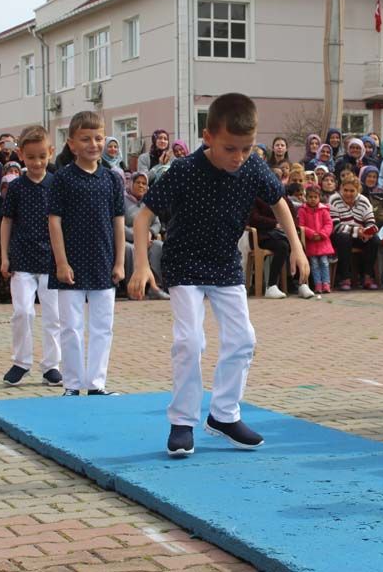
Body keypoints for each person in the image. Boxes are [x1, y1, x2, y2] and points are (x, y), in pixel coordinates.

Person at [128, 92, 309, 457]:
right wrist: (143, 265)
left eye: (246, 148)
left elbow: (279, 203)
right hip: (185, 264)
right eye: (230, 149)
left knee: (243, 339)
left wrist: (297, 247)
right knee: (190, 341)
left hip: (225, 264)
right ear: (208, 137)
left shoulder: (253, 167)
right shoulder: (184, 170)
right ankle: (182, 421)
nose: (238, 157)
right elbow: (145, 215)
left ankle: (224, 414)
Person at [48, 111, 126, 397]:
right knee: (71, 327)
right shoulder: (62, 178)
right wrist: (61, 262)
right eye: (85, 139)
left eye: (98, 138)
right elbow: (54, 221)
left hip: (103, 262)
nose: (93, 144)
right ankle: (71, 384)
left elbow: (118, 222)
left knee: (103, 326)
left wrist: (119, 262)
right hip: (71, 264)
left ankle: (96, 383)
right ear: (71, 144)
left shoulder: (112, 179)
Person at [0, 126, 62, 389]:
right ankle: (21, 362)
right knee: (23, 312)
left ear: (51, 153)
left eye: (42, 156)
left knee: (53, 315)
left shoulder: (57, 185)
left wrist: (64, 259)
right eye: (31, 157)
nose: (37, 163)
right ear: (21, 156)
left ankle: (52, 366)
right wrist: (4, 256)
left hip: (51, 260)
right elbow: (6, 221)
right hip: (22, 259)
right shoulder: (16, 187)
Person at [248, 192, 316, 300]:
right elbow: (253, 218)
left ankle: (302, 284)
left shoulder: (281, 196)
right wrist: (275, 224)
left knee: (298, 246)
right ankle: (271, 286)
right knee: (282, 246)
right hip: (263, 235)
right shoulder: (254, 197)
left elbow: (292, 216)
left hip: (282, 234)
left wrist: (286, 226)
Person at [122, 172, 168, 300]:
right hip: (127, 240)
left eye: (144, 183)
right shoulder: (122, 200)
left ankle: (155, 288)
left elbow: (157, 223)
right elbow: (120, 225)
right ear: (131, 184)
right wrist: (138, 237)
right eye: (138, 182)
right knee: (130, 249)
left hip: (147, 240)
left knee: (158, 246)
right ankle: (133, 289)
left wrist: (150, 233)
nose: (141, 186)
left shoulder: (148, 202)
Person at [329, 176, 379, 291]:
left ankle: (367, 277)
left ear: (358, 191)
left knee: (374, 240)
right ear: (341, 188)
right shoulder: (334, 200)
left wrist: (368, 232)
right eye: (345, 190)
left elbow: (371, 222)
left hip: (360, 235)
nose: (348, 194)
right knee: (344, 238)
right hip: (340, 235)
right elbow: (335, 226)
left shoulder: (364, 201)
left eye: (352, 191)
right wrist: (357, 231)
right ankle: (345, 278)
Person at [298, 184, 333, 294]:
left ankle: (326, 283)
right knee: (314, 264)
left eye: (315, 197)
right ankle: (318, 284)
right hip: (311, 243)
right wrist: (311, 234)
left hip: (323, 242)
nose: (313, 199)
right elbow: (301, 225)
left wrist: (322, 234)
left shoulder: (324, 210)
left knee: (324, 263)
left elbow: (329, 224)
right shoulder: (302, 210)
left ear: (319, 197)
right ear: (306, 197)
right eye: (310, 197)